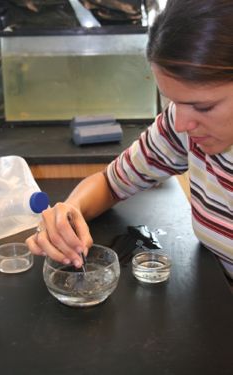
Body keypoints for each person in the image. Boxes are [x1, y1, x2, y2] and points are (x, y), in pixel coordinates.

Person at [26, 0, 233, 279]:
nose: (182, 124)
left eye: (203, 107)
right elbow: (111, 182)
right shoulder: (181, 124)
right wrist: (70, 213)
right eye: (173, 101)